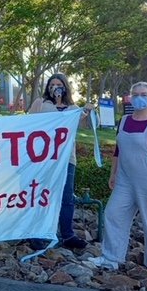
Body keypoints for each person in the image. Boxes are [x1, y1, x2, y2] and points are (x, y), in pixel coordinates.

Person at [88, 81, 147, 282]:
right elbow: (118, 150)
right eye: (136, 94)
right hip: (125, 180)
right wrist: (113, 173)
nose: (139, 98)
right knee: (113, 214)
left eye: (144, 94)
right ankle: (111, 257)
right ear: (130, 98)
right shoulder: (124, 121)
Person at [28, 73, 92, 250]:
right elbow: (26, 125)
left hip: (66, 158)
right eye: (52, 84)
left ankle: (67, 234)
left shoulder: (73, 108)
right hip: (43, 157)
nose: (55, 87)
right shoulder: (40, 104)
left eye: (59, 84)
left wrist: (89, 112)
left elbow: (87, 126)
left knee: (66, 197)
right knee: (41, 195)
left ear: (65, 87)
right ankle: (37, 234)